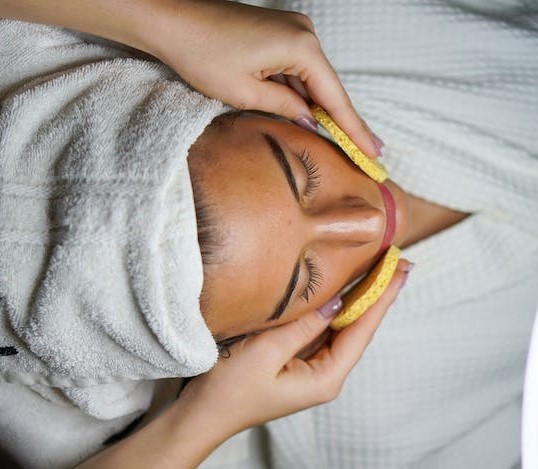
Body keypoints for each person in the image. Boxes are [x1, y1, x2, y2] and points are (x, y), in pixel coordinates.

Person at [0, 2, 536, 469]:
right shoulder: (380, 440)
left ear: (233, 98)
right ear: (241, 346)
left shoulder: (357, 24)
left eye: (306, 171)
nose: (367, 222)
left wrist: (170, 22)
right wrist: (200, 423)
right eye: (306, 280)